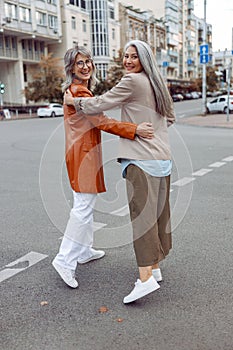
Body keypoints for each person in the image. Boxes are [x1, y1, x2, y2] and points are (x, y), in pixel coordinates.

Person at [64, 40, 175, 303]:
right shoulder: (156, 81)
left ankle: (145, 279)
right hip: (163, 159)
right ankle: (156, 268)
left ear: (143, 59)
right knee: (159, 216)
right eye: (125, 56)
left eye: (133, 57)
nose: (127, 61)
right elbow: (169, 117)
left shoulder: (133, 81)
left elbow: (101, 103)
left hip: (142, 160)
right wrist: (150, 128)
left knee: (142, 221)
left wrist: (74, 101)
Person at [52, 45, 154, 289]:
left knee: (86, 204)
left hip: (83, 155)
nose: (86, 66)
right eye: (79, 63)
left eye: (88, 61)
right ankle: (65, 260)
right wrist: (135, 130)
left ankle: (84, 250)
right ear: (71, 68)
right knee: (83, 208)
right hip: (83, 156)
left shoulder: (78, 93)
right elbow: (103, 122)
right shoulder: (79, 94)